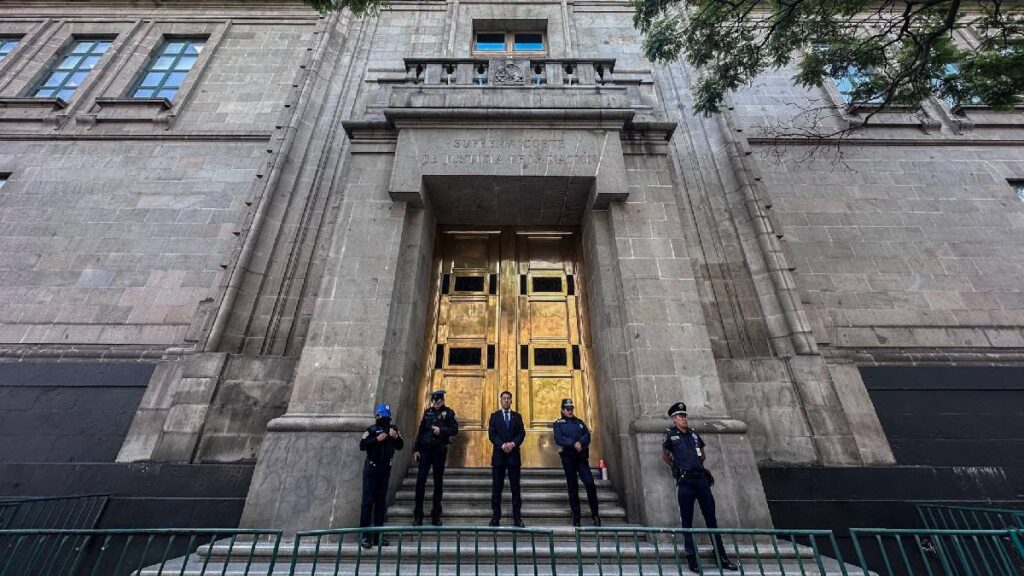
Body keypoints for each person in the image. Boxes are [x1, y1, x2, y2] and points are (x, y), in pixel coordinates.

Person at [662, 401, 739, 573]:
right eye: (681, 416)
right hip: (685, 481)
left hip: (701, 480)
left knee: (711, 518)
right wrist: (677, 467)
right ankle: (692, 557)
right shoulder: (670, 435)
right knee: (687, 521)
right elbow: (666, 456)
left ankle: (721, 556)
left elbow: (702, 453)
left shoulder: (694, 435)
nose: (684, 418)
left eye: (685, 415)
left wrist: (697, 465)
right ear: (674, 419)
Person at [358, 403, 403, 549]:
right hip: (372, 468)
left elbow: (400, 445)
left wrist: (395, 437)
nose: (382, 418)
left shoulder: (393, 429)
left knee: (381, 503)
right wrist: (377, 439)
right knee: (367, 502)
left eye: (384, 416)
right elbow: (362, 445)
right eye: (381, 416)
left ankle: (378, 535)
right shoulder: (372, 429)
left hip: (385, 469)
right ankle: (365, 535)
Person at [412, 389, 459, 526]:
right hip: (425, 451)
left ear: (442, 401)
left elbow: (454, 429)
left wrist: (442, 431)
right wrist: (416, 449)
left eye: (438, 401)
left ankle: (436, 514)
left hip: (439, 450)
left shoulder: (449, 413)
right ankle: (418, 515)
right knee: (420, 482)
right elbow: (421, 431)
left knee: (438, 483)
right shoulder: (428, 413)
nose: (436, 403)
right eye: (434, 401)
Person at [553, 398, 601, 527]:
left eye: (571, 409)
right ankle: (576, 516)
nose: (570, 411)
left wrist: (580, 442)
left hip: (581, 459)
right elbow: (559, 438)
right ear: (562, 410)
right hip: (568, 458)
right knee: (572, 487)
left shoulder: (579, 422)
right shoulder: (558, 423)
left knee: (590, 484)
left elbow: (587, 435)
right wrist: (573, 443)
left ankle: (595, 514)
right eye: (567, 409)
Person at [487, 390, 526, 527]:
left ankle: (517, 518)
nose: (506, 400)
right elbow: (491, 434)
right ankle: (495, 517)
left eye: (509, 398)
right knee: (497, 488)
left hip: (514, 457)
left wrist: (513, 444)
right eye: (504, 398)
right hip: (499, 457)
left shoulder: (517, 416)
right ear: (500, 400)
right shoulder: (494, 416)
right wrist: (502, 444)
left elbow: (522, 433)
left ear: (511, 401)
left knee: (515, 489)